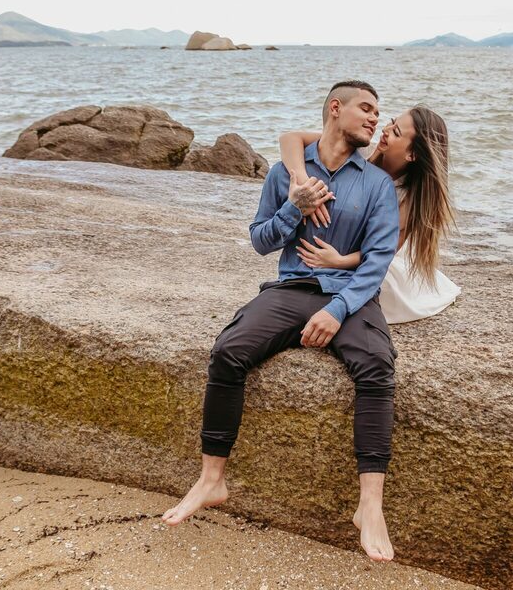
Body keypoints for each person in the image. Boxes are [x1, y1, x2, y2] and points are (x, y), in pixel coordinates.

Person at [162, 81, 401, 563]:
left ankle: (369, 506)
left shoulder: (376, 183)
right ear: (336, 109)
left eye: (379, 113)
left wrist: (336, 311)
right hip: (291, 288)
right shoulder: (284, 173)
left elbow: (377, 260)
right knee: (229, 351)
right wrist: (295, 208)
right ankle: (212, 480)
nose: (375, 119)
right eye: (366, 109)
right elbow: (260, 240)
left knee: (377, 364)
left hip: (349, 296)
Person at [278, 104, 459, 323]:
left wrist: (339, 261)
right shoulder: (360, 150)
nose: (386, 130)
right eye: (392, 122)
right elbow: (290, 138)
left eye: (396, 132)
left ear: (412, 154)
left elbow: (385, 251)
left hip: (361, 259)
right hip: (337, 242)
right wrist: (308, 191)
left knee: (362, 296)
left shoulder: (406, 198)